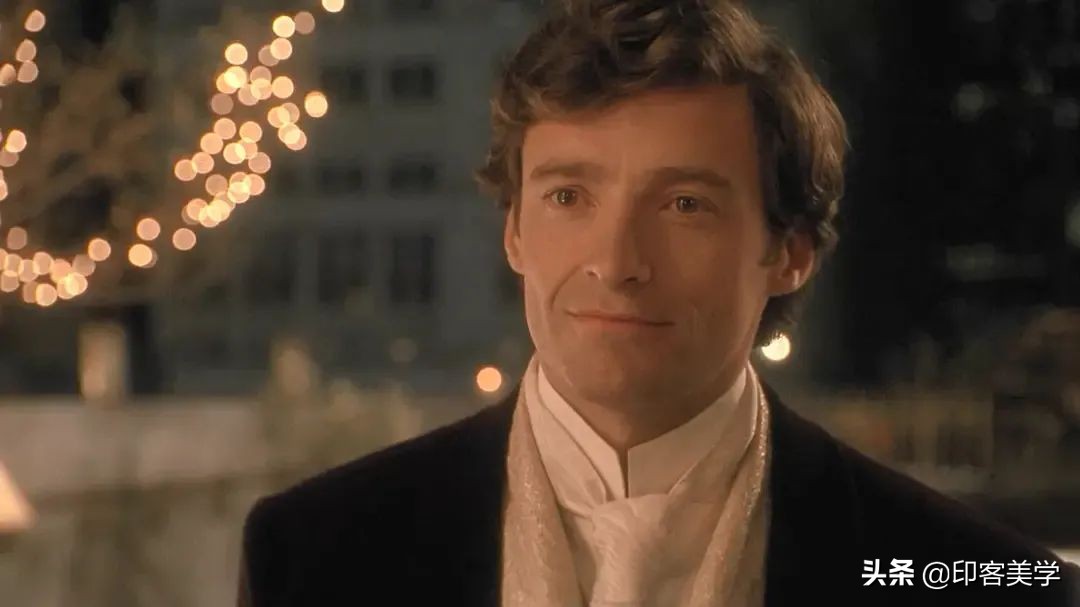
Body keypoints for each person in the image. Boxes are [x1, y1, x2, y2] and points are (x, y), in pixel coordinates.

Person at [236, 1, 1080, 605]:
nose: (616, 263)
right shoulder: (314, 554)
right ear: (515, 231)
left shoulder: (974, 577)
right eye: (569, 197)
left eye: (684, 204)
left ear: (789, 252)